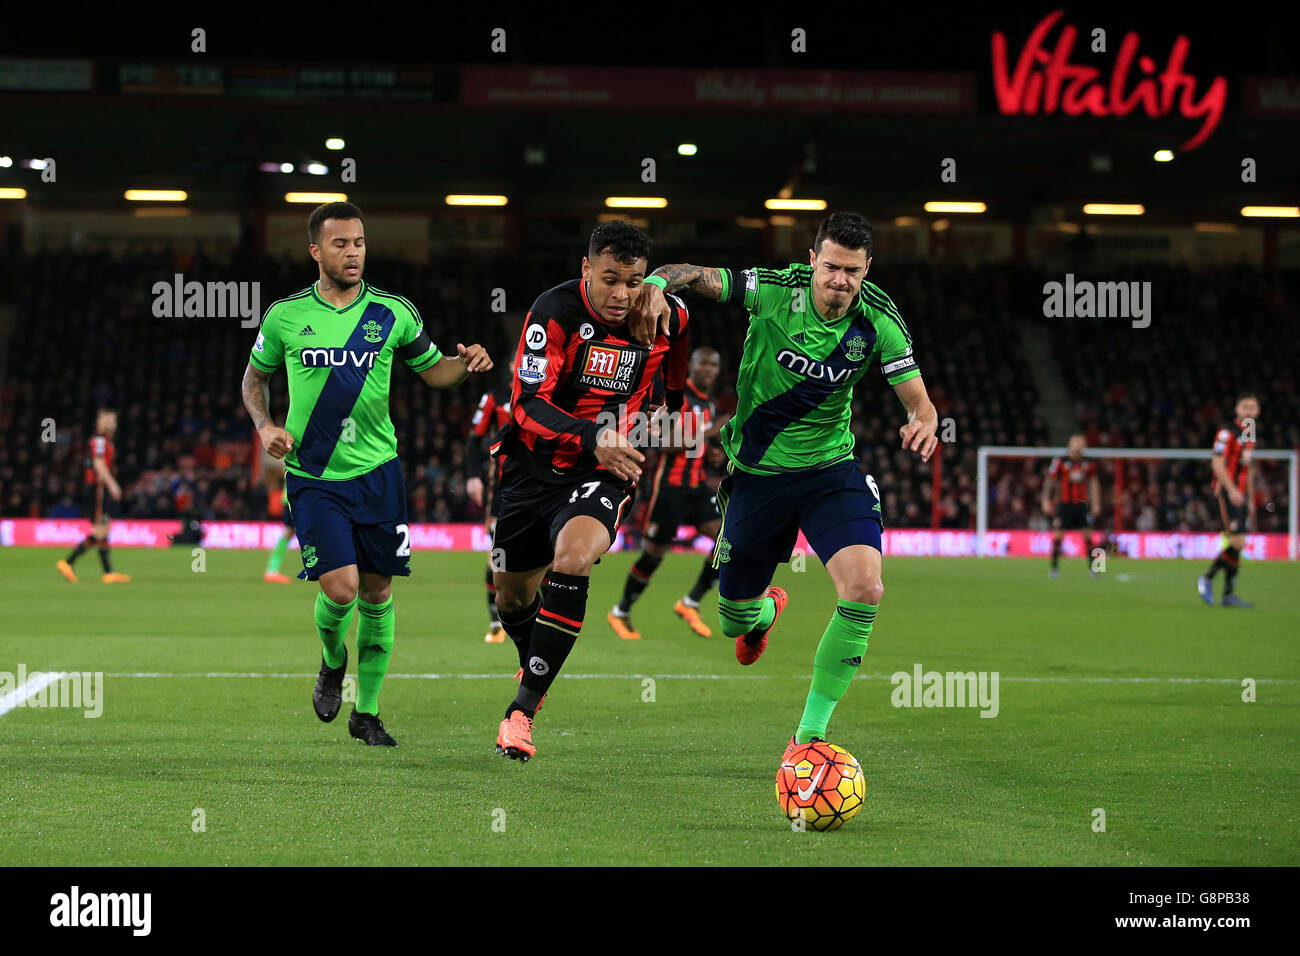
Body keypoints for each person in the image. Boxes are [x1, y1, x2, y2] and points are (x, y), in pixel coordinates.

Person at [636, 212, 938, 756]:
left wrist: (925, 417)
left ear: (867, 269)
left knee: (865, 588)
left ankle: (810, 737)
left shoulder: (880, 320)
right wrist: (657, 282)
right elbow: (688, 272)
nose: (839, 280)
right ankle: (767, 611)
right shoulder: (774, 291)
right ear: (812, 261)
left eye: (851, 270)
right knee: (732, 622)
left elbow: (917, 396)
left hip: (831, 472)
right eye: (830, 267)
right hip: (757, 478)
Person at [241, 201, 493, 746]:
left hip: (379, 475)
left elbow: (436, 373)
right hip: (313, 476)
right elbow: (252, 381)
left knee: (377, 596)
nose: (352, 251)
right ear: (315, 250)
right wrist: (265, 427)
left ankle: (368, 712)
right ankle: (333, 660)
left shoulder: (393, 312)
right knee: (342, 589)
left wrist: (465, 364)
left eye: (358, 242)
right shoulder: (284, 316)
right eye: (339, 243)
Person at [489, 220, 689, 762]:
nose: (622, 294)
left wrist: (658, 416)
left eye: (635, 281)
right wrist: (593, 435)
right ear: (585, 270)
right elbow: (527, 405)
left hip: (603, 471)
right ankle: (537, 658)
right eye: (609, 279)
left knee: (573, 558)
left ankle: (521, 712)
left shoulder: (665, 315)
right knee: (511, 596)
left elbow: (674, 384)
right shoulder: (553, 312)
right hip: (532, 470)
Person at [609, 347, 728, 639]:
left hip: (698, 487)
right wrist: (711, 433)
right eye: (703, 363)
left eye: (714, 364)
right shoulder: (676, 399)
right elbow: (664, 443)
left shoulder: (709, 403)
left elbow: (695, 446)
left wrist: (712, 454)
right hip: (669, 490)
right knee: (654, 555)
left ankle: (691, 602)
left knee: (728, 544)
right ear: (692, 365)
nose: (709, 369)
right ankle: (621, 611)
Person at [1197, 393, 1259, 608]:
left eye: (1253, 408)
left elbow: (1247, 468)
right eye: (1245, 407)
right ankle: (1207, 578)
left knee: (1239, 544)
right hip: (1226, 492)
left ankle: (1228, 595)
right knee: (1236, 541)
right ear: (1237, 409)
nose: (1249, 411)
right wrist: (1232, 490)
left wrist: (1249, 496)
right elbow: (1217, 464)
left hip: (1241, 495)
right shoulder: (1226, 433)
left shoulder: (1250, 433)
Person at [56, 408, 131, 584]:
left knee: (104, 529)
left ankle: (108, 572)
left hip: (101, 488)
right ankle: (68, 562)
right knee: (100, 530)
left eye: (114, 420)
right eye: (110, 420)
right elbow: (98, 464)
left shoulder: (107, 442)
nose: (113, 424)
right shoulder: (99, 441)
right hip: (98, 488)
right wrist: (112, 484)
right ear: (101, 422)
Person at [466, 379, 513, 642]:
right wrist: (473, 475)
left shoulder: (548, 392)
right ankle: (496, 621)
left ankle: (544, 621)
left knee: (547, 559)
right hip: (504, 492)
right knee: (498, 557)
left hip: (543, 487)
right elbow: (475, 438)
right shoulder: (496, 396)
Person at [1041, 434, 1103, 579]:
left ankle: (1094, 570)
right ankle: (1054, 569)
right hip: (1064, 504)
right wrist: (1045, 500)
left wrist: (1096, 503)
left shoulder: (1089, 463)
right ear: (1070, 444)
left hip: (1082, 504)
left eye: (1081, 442)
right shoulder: (1059, 461)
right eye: (1076, 442)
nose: (1078, 444)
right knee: (1058, 535)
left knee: (1088, 536)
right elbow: (1050, 480)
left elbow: (1094, 483)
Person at [263, 450, 296, 584]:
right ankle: (271, 571)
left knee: (288, 534)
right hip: (295, 498)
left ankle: (272, 570)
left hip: (290, 497)